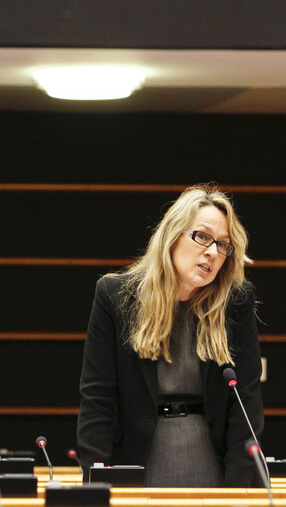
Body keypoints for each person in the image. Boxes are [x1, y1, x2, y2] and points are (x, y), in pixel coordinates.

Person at [76, 184, 264, 487]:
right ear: (172, 236)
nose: (212, 252)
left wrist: (238, 491)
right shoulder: (116, 296)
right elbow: (96, 401)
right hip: (137, 465)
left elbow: (247, 407)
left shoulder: (235, 302)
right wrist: (96, 484)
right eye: (202, 236)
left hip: (212, 465)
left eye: (223, 245)